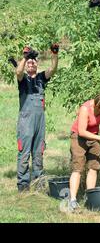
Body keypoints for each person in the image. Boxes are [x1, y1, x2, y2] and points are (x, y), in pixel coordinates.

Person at [15, 44, 59, 192]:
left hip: (40, 122)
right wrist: (25, 57)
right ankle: (23, 185)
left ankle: (39, 183)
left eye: (33, 61)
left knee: (38, 152)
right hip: (26, 121)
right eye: (29, 62)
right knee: (24, 153)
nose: (31, 63)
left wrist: (54, 53)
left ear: (37, 64)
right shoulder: (22, 79)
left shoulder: (41, 78)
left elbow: (53, 69)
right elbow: (18, 71)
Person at [68, 93, 100, 212]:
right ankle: (72, 200)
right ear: (96, 105)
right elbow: (81, 131)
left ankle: (90, 197)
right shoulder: (85, 108)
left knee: (94, 166)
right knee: (78, 168)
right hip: (78, 137)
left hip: (94, 137)